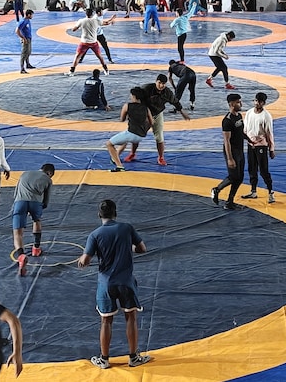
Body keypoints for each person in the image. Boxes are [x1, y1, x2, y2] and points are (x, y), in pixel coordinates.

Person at [77, 200, 151, 369]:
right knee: (131, 317)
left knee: (106, 321)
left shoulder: (95, 235)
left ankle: (104, 359)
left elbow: (85, 261)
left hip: (106, 283)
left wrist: (81, 260)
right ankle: (133, 357)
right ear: (115, 213)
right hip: (126, 282)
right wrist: (129, 248)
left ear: (99, 215)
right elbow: (142, 248)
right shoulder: (127, 228)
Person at [121, 75, 189, 166]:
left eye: (163, 84)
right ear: (156, 81)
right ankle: (132, 153)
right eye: (159, 83)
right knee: (136, 135)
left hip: (157, 114)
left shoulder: (167, 92)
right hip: (145, 115)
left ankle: (161, 157)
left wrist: (182, 112)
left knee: (159, 136)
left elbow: (175, 102)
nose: (161, 85)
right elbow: (137, 99)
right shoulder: (147, 89)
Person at [11, 163, 55, 276]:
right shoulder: (48, 180)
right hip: (36, 203)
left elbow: (16, 192)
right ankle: (36, 248)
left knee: (17, 233)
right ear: (49, 173)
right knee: (37, 221)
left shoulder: (25, 173)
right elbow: (46, 200)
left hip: (20, 202)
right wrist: (40, 207)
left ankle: (21, 255)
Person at [211, 94, 248, 211]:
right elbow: (226, 141)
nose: (240, 104)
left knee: (240, 177)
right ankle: (216, 189)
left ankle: (230, 202)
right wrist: (230, 158)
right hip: (232, 151)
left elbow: (240, 132)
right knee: (233, 177)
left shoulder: (239, 116)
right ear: (232, 104)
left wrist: (250, 140)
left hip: (240, 150)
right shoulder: (227, 121)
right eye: (238, 102)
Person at [107, 87, 153, 172]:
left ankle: (119, 166)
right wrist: (144, 130)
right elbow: (151, 122)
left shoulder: (127, 106)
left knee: (109, 144)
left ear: (134, 96)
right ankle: (116, 156)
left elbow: (122, 119)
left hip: (131, 134)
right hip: (140, 136)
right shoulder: (146, 108)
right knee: (125, 140)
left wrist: (128, 114)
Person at [241, 92, 276, 203]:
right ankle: (253, 191)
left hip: (261, 145)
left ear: (263, 103)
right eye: (256, 101)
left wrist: (271, 149)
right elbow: (245, 128)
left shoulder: (266, 116)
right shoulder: (249, 113)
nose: (257, 103)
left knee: (263, 170)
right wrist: (245, 137)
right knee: (252, 169)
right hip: (250, 145)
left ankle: (270, 192)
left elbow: (269, 133)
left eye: (259, 102)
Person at [65, 9, 110, 77]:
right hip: (93, 42)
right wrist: (111, 20)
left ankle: (71, 72)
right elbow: (106, 23)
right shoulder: (96, 21)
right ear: (92, 14)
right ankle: (106, 70)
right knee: (100, 57)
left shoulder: (82, 21)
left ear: (85, 14)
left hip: (84, 42)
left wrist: (77, 26)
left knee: (77, 57)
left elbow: (74, 29)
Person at [15, 9, 35, 74]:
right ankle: (22, 68)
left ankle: (27, 64)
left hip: (28, 38)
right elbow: (17, 31)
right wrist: (23, 38)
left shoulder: (27, 20)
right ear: (28, 15)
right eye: (31, 15)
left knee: (28, 52)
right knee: (24, 53)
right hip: (25, 39)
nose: (32, 16)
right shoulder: (23, 21)